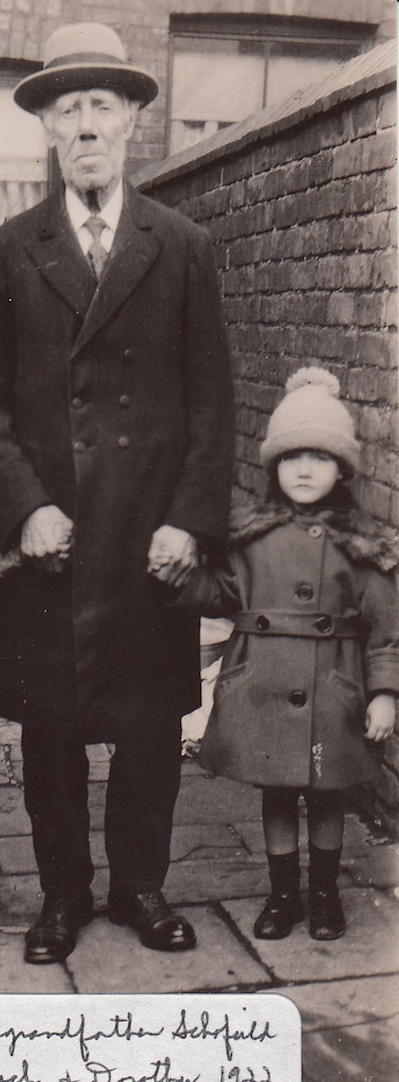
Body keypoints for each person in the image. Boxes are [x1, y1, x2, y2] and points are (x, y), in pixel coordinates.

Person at [0, 22, 234, 963]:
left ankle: (142, 888)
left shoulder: (184, 245)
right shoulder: (4, 250)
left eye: (101, 108)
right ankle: (63, 894)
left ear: (131, 127)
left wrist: (190, 521)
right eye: (66, 108)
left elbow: (213, 402)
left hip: (147, 536)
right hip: (54, 538)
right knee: (51, 735)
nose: (85, 125)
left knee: (152, 728)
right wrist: (25, 504)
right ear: (45, 128)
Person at [173, 367, 398, 941]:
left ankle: (324, 896)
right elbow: (221, 595)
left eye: (320, 458)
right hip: (263, 683)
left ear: (342, 469)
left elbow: (384, 631)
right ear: (273, 464)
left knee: (327, 794)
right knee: (275, 790)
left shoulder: (362, 546)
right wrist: (182, 576)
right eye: (292, 456)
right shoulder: (250, 537)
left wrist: (383, 693)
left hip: (334, 687)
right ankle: (281, 896)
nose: (304, 469)